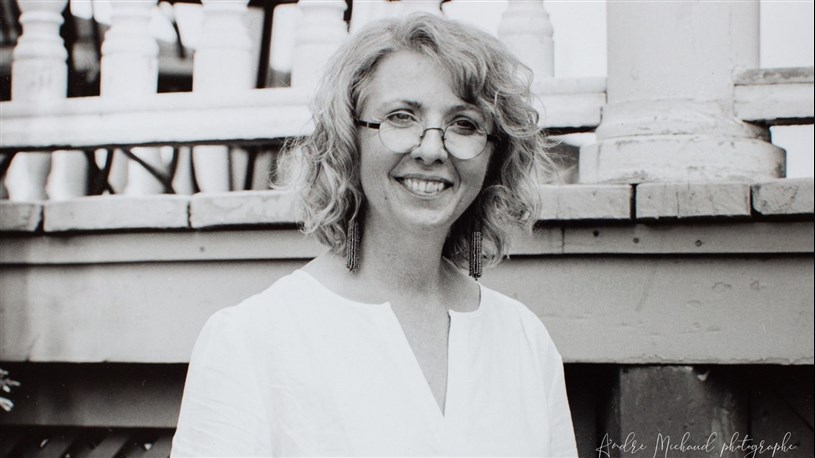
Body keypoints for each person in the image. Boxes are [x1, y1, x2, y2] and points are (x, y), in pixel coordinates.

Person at [172, 13, 578, 457]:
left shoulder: (524, 340)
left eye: (464, 124)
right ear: (349, 139)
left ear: (495, 156)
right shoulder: (254, 339)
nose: (431, 149)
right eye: (401, 117)